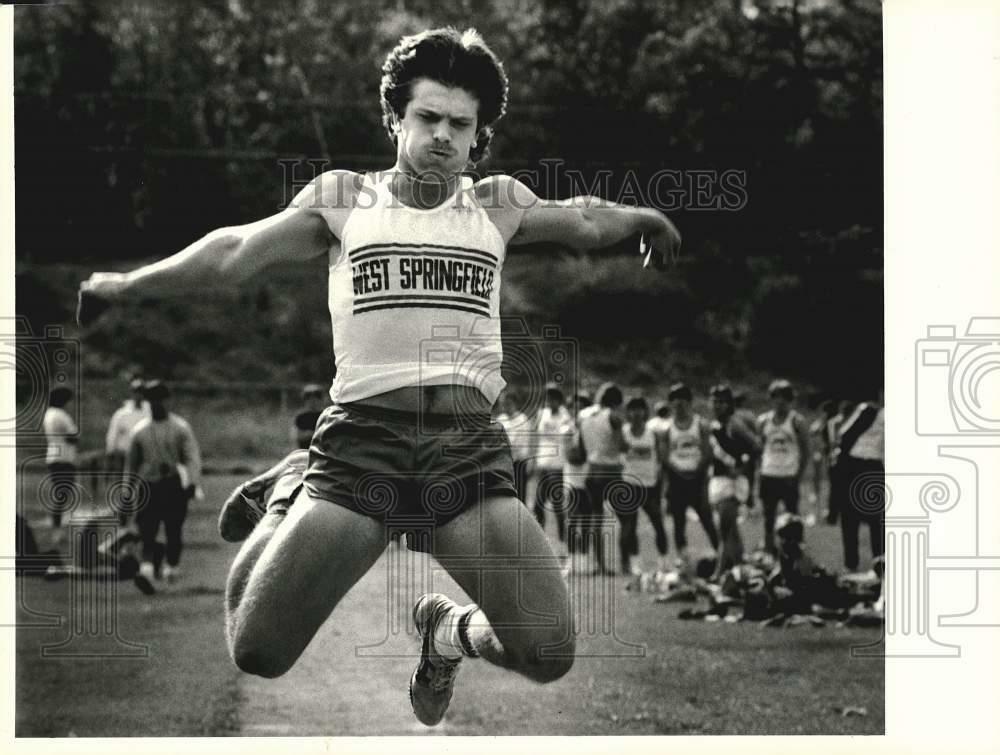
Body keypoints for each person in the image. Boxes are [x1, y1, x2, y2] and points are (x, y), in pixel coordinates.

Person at [78, 27, 680, 726]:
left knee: (548, 649)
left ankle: (448, 631)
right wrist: (125, 285)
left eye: (462, 124)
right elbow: (234, 251)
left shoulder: (496, 204)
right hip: (364, 443)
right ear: (396, 118)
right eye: (428, 118)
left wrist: (644, 215)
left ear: (479, 135)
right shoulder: (344, 199)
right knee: (258, 648)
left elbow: (581, 220)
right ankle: (288, 488)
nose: (444, 137)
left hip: (466, 449)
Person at [124, 380, 202, 588]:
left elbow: (191, 457)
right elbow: (131, 465)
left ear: (168, 401)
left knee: (173, 530)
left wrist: (192, 482)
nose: (157, 404)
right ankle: (147, 571)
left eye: (161, 399)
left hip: (172, 485)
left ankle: (171, 568)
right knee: (147, 530)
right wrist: (127, 490)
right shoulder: (139, 431)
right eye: (152, 400)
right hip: (149, 486)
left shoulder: (180, 428)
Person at [659, 382, 718, 566]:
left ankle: (721, 552)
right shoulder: (667, 428)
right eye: (674, 400)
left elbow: (708, 451)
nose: (678, 403)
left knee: (706, 518)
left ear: (689, 402)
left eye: (682, 399)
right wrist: (678, 472)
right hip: (677, 479)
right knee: (679, 522)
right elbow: (664, 456)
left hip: (698, 478)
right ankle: (683, 560)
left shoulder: (700, 424)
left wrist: (697, 470)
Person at [707, 385, 760, 580]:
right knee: (730, 531)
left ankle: (721, 571)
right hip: (718, 480)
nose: (717, 406)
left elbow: (755, 448)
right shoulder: (714, 425)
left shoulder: (734, 425)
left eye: (721, 402)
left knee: (725, 527)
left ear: (729, 404)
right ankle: (739, 569)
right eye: (714, 401)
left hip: (733, 482)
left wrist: (742, 468)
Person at [579, 382, 630, 576]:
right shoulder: (613, 416)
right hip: (611, 471)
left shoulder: (585, 415)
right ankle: (625, 563)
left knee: (595, 519)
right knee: (627, 518)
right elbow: (622, 445)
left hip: (591, 471)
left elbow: (581, 446)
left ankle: (598, 564)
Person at [755, 379, 810, 555]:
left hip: (788, 474)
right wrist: (759, 470)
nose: (780, 402)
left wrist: (798, 475)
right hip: (768, 473)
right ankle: (769, 551)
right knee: (768, 518)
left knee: (792, 517)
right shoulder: (763, 421)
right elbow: (759, 448)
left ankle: (795, 552)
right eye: (776, 398)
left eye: (784, 398)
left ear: (790, 399)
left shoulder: (797, 421)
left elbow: (806, 451)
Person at [836, 389, 884, 573]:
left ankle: (877, 564)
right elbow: (844, 434)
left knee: (876, 519)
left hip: (874, 466)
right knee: (851, 517)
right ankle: (852, 564)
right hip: (855, 465)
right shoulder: (869, 410)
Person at [620, 396, 668, 575]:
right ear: (628, 413)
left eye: (639, 409)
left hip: (649, 485)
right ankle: (635, 564)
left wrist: (661, 485)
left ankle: (663, 562)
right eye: (632, 409)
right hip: (629, 484)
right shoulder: (623, 433)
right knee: (630, 526)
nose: (636, 413)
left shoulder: (652, 434)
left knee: (658, 523)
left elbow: (661, 460)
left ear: (645, 412)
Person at [531, 383, 571, 550]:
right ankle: (541, 542)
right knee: (537, 505)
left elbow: (568, 438)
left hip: (557, 465)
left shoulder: (565, 417)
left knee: (557, 504)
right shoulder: (542, 414)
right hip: (542, 464)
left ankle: (563, 542)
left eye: (552, 399)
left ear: (559, 400)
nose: (549, 402)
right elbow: (535, 437)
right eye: (547, 398)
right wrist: (533, 459)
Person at [561, 391, 593, 575]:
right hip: (572, 482)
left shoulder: (592, 428)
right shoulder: (567, 429)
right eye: (575, 406)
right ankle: (571, 561)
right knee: (572, 522)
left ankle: (585, 561)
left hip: (588, 480)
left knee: (587, 523)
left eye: (582, 406)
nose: (578, 409)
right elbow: (575, 457)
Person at [43, 386, 79, 528]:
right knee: (63, 490)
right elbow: (73, 437)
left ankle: (56, 519)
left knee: (61, 490)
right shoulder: (61, 415)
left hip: (54, 455)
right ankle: (56, 520)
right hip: (63, 457)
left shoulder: (49, 413)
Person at [496, 389, 534, 505]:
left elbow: (518, 443)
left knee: (519, 494)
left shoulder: (522, 420)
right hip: (504, 463)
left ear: (514, 403)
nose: (505, 407)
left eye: (508, 403)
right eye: (503, 404)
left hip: (518, 462)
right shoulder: (501, 419)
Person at [807, 399, 837, 517]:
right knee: (818, 483)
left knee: (827, 483)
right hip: (823, 456)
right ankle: (817, 509)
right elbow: (813, 432)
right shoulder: (823, 423)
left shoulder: (833, 422)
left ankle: (826, 509)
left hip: (829, 457)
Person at [291, 383, 327, 450]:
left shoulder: (327, 415)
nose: (313, 400)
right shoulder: (301, 417)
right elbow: (296, 437)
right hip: (305, 451)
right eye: (308, 397)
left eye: (317, 396)